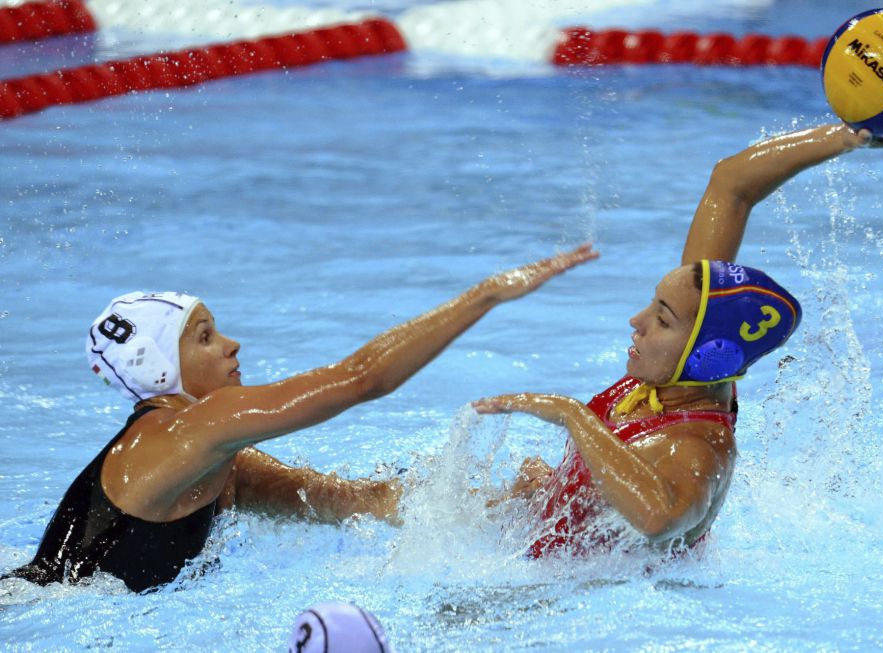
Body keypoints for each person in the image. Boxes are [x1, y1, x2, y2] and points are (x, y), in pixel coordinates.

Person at [4, 245, 597, 592]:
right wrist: (487, 295)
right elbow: (363, 379)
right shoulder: (184, 429)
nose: (233, 345)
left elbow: (357, 503)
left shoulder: (216, 460)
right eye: (206, 337)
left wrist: (518, 504)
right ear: (161, 370)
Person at [475, 122, 883, 558]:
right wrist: (849, 137)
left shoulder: (699, 447)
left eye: (662, 319)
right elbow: (731, 185)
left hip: (567, 597)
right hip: (526, 535)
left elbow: (660, 517)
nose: (637, 321)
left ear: (708, 358)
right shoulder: (677, 376)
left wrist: (573, 416)